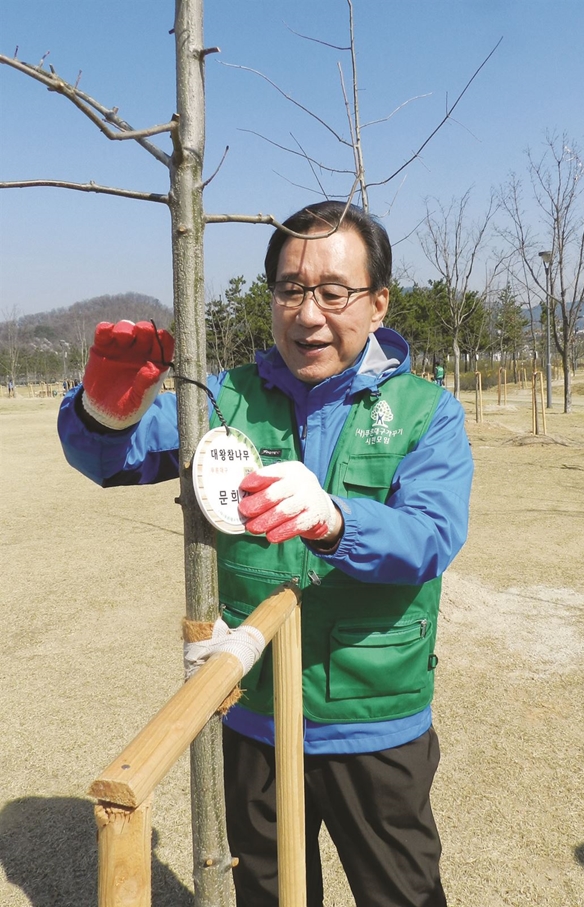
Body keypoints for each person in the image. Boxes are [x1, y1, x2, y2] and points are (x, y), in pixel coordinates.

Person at [58, 201, 473, 907]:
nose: (309, 313)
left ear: (378, 303)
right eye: (290, 288)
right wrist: (103, 409)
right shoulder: (225, 399)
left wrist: (336, 518)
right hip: (253, 717)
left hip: (376, 720)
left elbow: (430, 535)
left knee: (403, 893)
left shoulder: (425, 411)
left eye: (334, 292)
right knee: (267, 896)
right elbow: (115, 454)